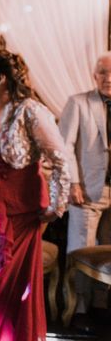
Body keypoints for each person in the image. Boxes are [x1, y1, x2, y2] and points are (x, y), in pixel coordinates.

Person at [0, 49, 70, 341]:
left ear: (1, 78)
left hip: (18, 208)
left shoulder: (29, 110)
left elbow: (60, 160)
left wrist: (57, 206)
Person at [59, 52, 111, 329]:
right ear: (94, 75)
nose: (108, 78)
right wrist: (73, 182)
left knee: (108, 250)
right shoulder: (78, 103)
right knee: (82, 247)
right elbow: (64, 145)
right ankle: (79, 307)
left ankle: (101, 304)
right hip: (87, 190)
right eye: (103, 72)